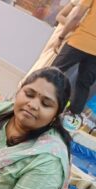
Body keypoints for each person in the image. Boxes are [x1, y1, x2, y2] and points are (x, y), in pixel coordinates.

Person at [51, 0, 96, 130]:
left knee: (52, 73)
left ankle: (37, 99)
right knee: (83, 85)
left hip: (80, 41)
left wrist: (61, 36)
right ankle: (70, 121)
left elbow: (76, 15)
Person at [25, 0, 80, 78]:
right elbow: (59, 16)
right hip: (60, 36)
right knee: (44, 62)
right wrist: (71, 25)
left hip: (74, 44)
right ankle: (27, 83)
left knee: (56, 70)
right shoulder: (78, 1)